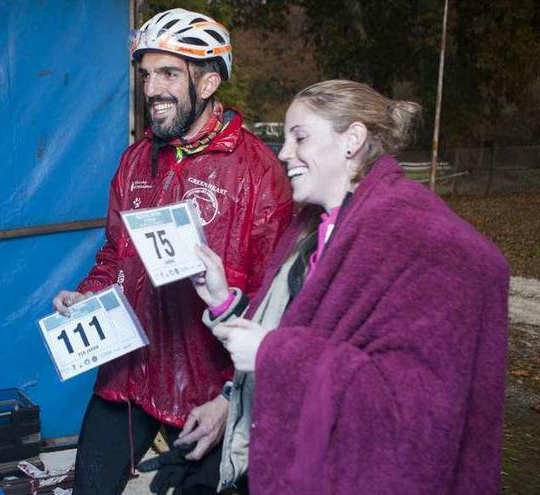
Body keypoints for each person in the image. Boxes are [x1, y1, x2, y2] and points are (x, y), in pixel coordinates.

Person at [191, 79, 509, 494]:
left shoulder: (424, 241)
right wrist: (222, 300)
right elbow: (294, 329)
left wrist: (273, 354)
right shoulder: (313, 226)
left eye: (299, 137)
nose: (284, 152)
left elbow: (415, 413)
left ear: (352, 140)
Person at [52, 8, 292, 494]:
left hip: (210, 393)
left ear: (206, 84)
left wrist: (234, 396)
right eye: (145, 75)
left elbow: (277, 303)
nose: (152, 89)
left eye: (168, 73)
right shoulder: (135, 160)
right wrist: (88, 296)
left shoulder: (259, 173)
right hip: (130, 374)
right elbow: (114, 255)